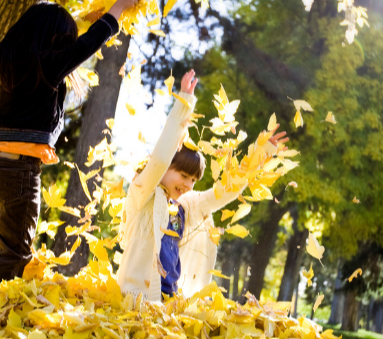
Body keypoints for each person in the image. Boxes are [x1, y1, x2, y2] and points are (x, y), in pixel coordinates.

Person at [0, 0, 138, 291]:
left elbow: (50, 30)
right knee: (15, 249)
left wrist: (80, 19)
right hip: (17, 171)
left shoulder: (15, 62)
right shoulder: (48, 66)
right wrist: (117, 8)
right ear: (57, 40)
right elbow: (88, 44)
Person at [116, 70, 289, 302]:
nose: (188, 185)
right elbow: (160, 157)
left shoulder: (183, 208)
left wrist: (262, 153)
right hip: (136, 300)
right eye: (183, 175)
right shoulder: (142, 193)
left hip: (169, 302)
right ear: (167, 167)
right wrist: (184, 104)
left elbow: (224, 192)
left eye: (193, 180)